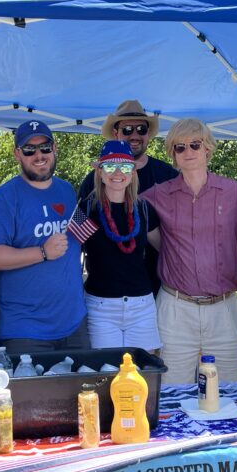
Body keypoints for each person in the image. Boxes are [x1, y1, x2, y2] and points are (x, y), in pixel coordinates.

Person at [141, 118, 237, 383]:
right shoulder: (155, 196)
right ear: (172, 155)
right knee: (171, 391)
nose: (188, 152)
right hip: (175, 308)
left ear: (207, 149)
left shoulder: (234, 193)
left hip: (224, 309)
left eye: (194, 145)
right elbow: (120, 209)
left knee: (233, 390)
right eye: (179, 147)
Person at [0, 119, 89, 352]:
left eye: (45, 147)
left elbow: (82, 235)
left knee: (84, 390)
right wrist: (42, 252)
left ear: (55, 148)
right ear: (17, 153)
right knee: (36, 391)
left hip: (74, 323)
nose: (39, 155)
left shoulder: (67, 190)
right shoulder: (4, 198)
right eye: (30, 150)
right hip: (26, 330)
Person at [68, 141, 162, 351]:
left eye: (126, 167)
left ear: (133, 173)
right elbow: (68, 253)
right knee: (107, 374)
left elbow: (166, 250)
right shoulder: (86, 208)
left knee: (143, 373)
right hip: (100, 306)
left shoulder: (144, 209)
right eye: (110, 166)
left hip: (141, 306)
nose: (118, 172)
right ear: (100, 173)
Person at [78, 100, 177, 294]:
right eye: (127, 129)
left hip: (158, 290)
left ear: (148, 134)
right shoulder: (94, 180)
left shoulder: (169, 176)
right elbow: (75, 236)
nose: (134, 135)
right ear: (116, 133)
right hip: (103, 294)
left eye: (141, 129)